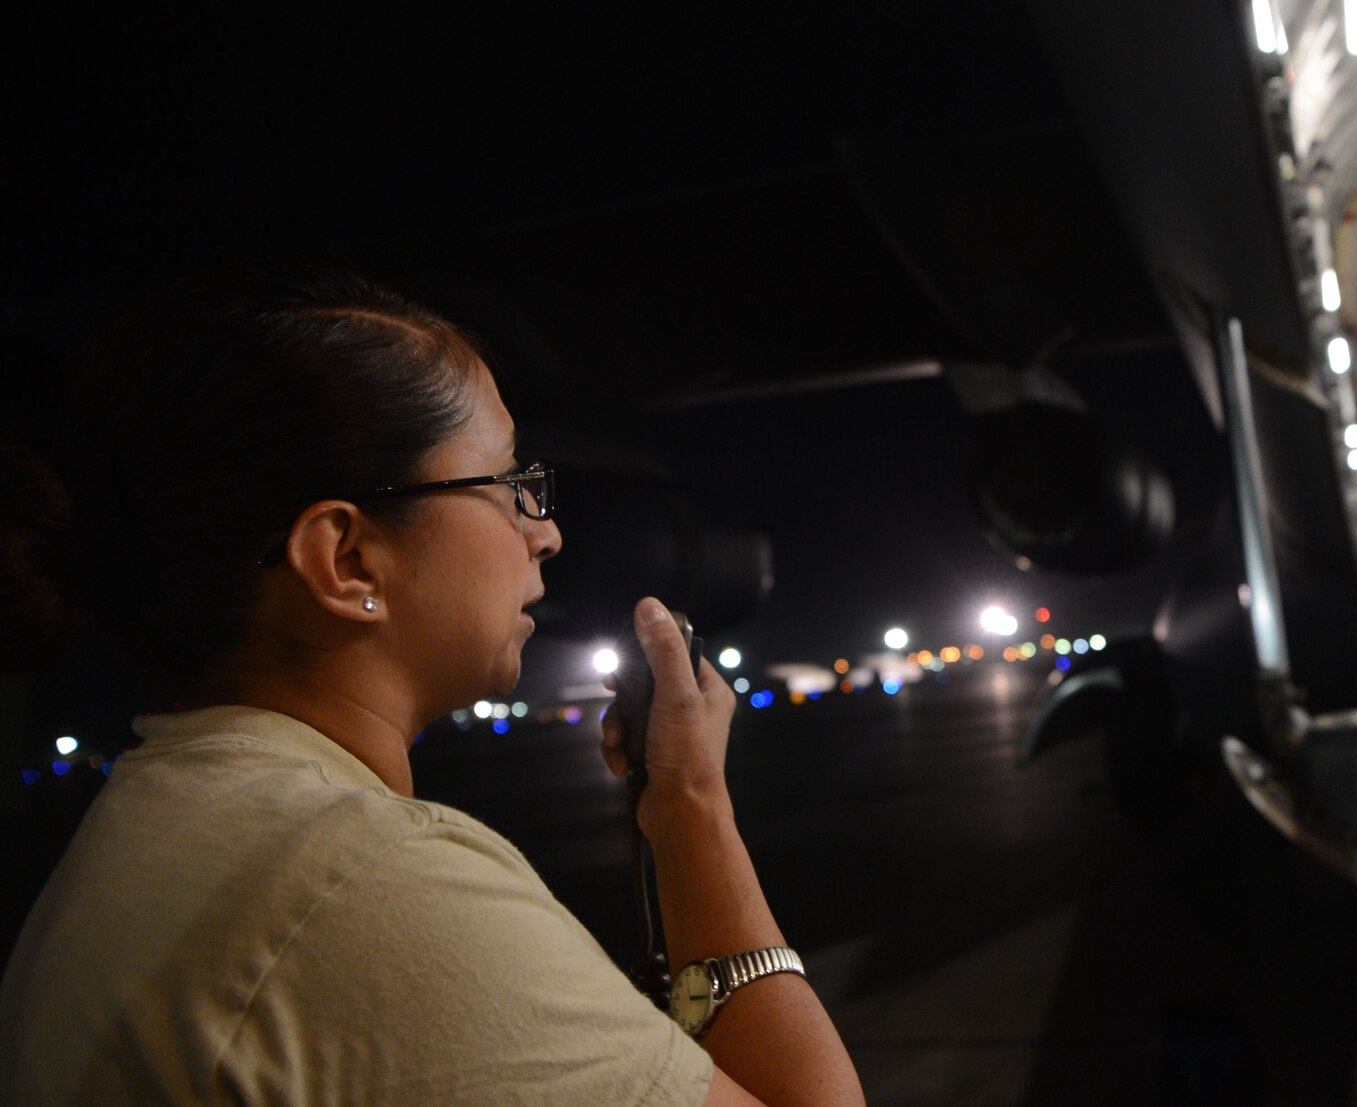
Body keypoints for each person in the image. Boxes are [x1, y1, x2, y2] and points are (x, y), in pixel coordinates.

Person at [0, 270, 864, 1107]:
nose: (548, 532)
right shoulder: (358, 886)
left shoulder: (155, 839)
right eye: (509, 483)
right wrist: (693, 808)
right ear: (348, 560)